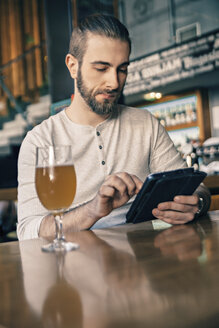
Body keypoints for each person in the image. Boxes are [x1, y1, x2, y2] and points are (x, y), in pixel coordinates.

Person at [17, 14, 210, 241]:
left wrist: (196, 203)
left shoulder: (146, 123)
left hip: (147, 255)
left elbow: (196, 188)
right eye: (101, 68)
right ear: (72, 66)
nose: (115, 83)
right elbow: (29, 231)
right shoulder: (40, 140)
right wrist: (92, 210)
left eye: (122, 69)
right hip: (76, 263)